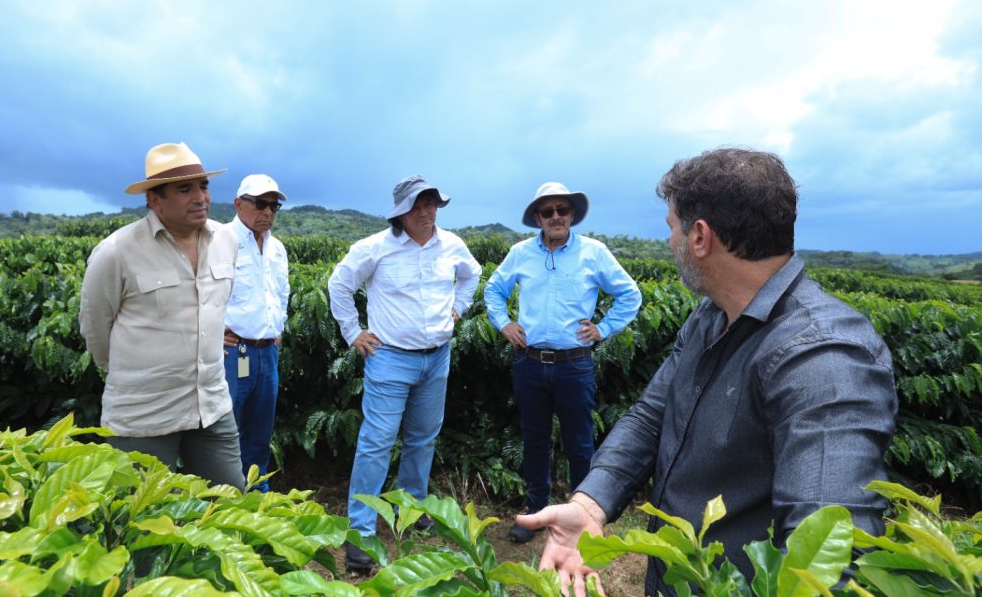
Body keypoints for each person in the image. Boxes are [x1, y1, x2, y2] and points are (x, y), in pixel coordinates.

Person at [515, 148, 898, 597]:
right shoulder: (711, 315)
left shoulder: (824, 357)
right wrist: (591, 502)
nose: (669, 241)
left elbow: (830, 560)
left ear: (699, 236)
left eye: (672, 228)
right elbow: (652, 415)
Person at [328, 174, 481, 572]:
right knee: (376, 442)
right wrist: (353, 332)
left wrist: (458, 308)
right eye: (419, 205)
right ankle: (360, 531)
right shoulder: (374, 248)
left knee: (423, 439)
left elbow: (472, 275)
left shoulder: (452, 245)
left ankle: (410, 509)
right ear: (401, 212)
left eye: (432, 203)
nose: (428, 212)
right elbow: (339, 285)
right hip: (390, 357)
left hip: (437, 357)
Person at [79, 142, 244, 490]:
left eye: (203, 186)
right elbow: (96, 330)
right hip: (144, 414)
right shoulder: (116, 252)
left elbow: (215, 309)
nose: (200, 197)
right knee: (140, 524)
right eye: (184, 189)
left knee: (232, 505)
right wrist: (139, 372)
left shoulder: (226, 241)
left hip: (211, 406)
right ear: (155, 200)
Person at [484, 182, 642, 544]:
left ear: (571, 214)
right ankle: (535, 513)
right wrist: (504, 323)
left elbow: (629, 294)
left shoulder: (594, 252)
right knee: (535, 439)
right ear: (538, 217)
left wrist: (604, 329)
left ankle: (584, 516)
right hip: (530, 362)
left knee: (580, 444)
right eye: (548, 211)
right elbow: (494, 290)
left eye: (562, 210)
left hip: (575, 364)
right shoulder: (521, 253)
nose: (556, 216)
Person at [223, 174, 290, 492]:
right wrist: (209, 332)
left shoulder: (277, 249)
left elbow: (282, 293)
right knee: (226, 432)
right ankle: (222, 501)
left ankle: (256, 502)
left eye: (274, 206)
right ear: (239, 204)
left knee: (259, 434)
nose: (268, 212)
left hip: (267, 353)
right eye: (260, 204)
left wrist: (278, 327)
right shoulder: (219, 241)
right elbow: (197, 292)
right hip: (233, 353)